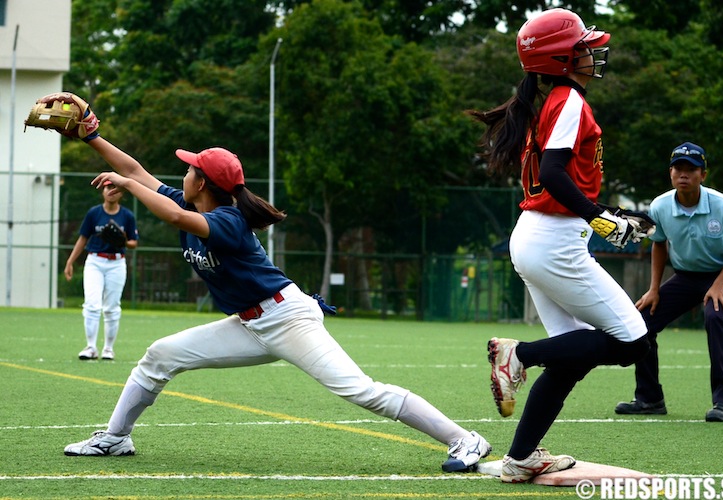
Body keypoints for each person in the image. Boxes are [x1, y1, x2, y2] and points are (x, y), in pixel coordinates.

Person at [60, 129, 490, 473]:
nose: (183, 174)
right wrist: (90, 133)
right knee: (160, 356)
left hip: (287, 318)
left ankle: (465, 439)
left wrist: (128, 186)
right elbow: (134, 167)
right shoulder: (190, 201)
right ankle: (115, 437)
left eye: (191, 169)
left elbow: (166, 210)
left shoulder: (226, 220)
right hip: (250, 324)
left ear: (203, 183)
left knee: (363, 392)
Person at [467, 8, 651, 483]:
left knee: (569, 359)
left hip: (537, 237)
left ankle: (522, 457)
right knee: (633, 341)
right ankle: (520, 355)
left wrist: (602, 212)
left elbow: (557, 177)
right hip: (553, 241)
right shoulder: (568, 100)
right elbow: (552, 175)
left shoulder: (550, 101)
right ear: (563, 57)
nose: (593, 52)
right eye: (584, 45)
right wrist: (601, 218)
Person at [614, 142, 723, 422]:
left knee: (715, 317)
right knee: (642, 322)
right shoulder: (660, 206)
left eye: (691, 169)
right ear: (671, 173)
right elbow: (659, 244)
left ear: (703, 174)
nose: (684, 174)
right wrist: (653, 289)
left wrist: (720, 283)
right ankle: (649, 398)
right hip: (686, 276)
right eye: (678, 168)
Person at [64, 180, 139, 361]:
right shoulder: (94, 213)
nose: (111, 191)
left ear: (122, 194)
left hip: (117, 263)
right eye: (107, 187)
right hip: (95, 261)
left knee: (112, 307)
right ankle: (90, 347)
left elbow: (133, 243)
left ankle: (108, 349)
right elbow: (83, 238)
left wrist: (123, 241)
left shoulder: (127, 216)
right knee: (92, 304)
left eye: (115, 188)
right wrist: (70, 261)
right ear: (102, 191)